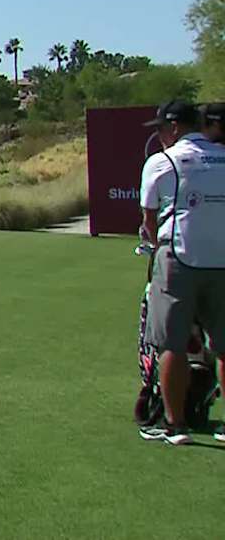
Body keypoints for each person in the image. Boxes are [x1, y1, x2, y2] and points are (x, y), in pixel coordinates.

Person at [138, 101, 225, 445]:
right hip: (222, 260)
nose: (158, 135)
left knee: (170, 342)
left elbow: (148, 219)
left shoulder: (163, 161)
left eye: (160, 129)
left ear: (174, 128)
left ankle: (176, 425)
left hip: (179, 257)